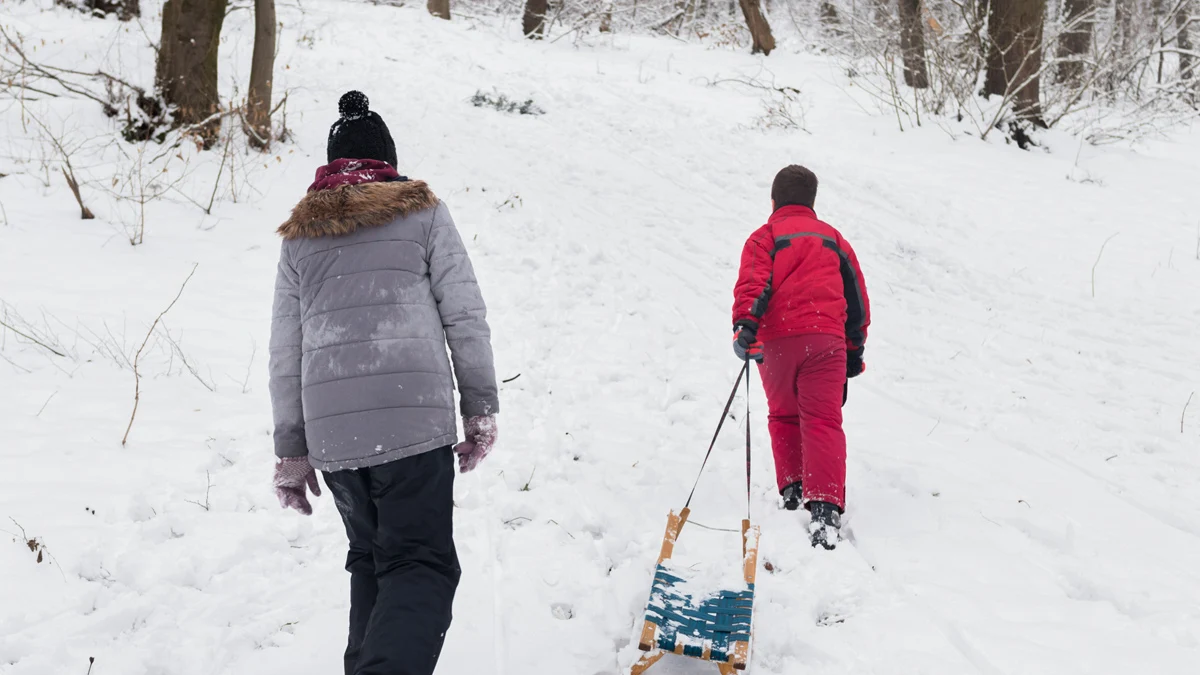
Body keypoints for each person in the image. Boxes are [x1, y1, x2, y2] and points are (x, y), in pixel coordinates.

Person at [268, 90, 499, 675]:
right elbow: (464, 315)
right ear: (388, 162)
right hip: (412, 422)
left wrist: (292, 450)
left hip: (336, 440)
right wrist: (480, 408)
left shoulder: (300, 239)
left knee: (371, 560)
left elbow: (284, 353)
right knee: (420, 565)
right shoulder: (423, 214)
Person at [731, 165, 870, 551]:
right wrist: (854, 351)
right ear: (812, 202)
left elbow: (753, 283)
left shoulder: (764, 237)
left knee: (784, 415)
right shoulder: (834, 240)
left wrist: (745, 326)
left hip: (777, 344)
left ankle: (793, 491)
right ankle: (825, 509)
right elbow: (857, 299)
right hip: (827, 341)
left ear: (773, 201)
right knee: (823, 420)